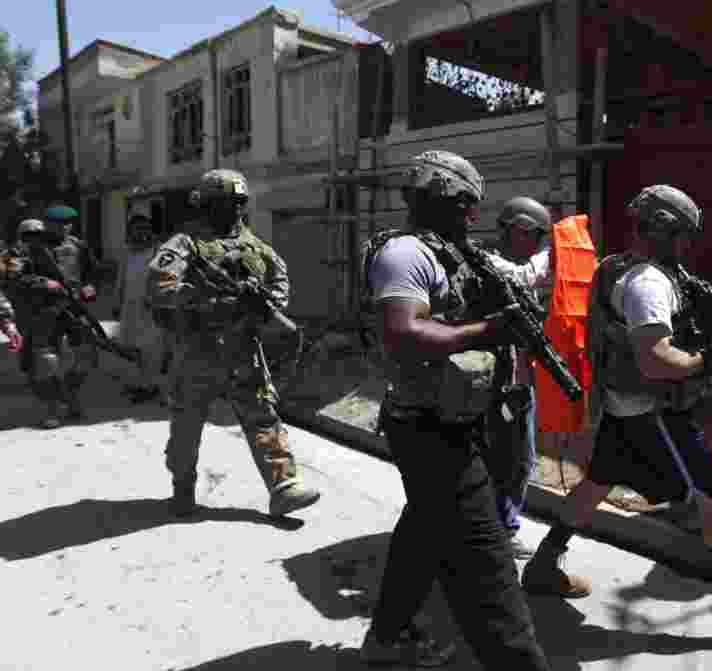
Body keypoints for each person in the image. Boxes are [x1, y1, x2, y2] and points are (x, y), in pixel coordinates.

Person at [520, 184, 712, 641]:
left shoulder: (620, 267)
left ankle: (543, 565)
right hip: (654, 413)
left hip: (625, 410)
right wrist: (709, 361)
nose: (687, 247)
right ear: (662, 230)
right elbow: (654, 360)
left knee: (595, 484)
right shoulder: (649, 284)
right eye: (683, 236)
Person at [359, 151, 551, 669]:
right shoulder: (405, 254)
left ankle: (386, 639)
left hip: (463, 417)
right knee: (486, 567)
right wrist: (488, 330)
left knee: (423, 534)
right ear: (449, 200)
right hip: (428, 427)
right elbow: (402, 333)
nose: (474, 216)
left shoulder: (457, 254)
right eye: (469, 205)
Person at [146, 169, 320, 518]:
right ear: (205, 205)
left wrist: (263, 302)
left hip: (243, 350)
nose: (232, 210)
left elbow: (280, 284)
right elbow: (159, 288)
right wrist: (207, 302)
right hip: (197, 350)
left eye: (237, 203)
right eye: (223, 203)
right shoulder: (185, 243)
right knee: (186, 427)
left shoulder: (256, 247)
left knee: (263, 418)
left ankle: (284, 486)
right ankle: (183, 487)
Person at [483, 196, 554, 559]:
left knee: (518, 459)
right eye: (534, 235)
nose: (537, 243)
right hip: (496, 383)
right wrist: (552, 252)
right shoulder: (489, 262)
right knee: (508, 459)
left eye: (541, 237)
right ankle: (501, 529)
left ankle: (498, 525)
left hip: (519, 381)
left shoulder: (522, 266)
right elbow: (523, 277)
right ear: (515, 230)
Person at [0, 213, 100, 428]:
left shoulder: (66, 247)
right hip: (40, 311)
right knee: (45, 361)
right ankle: (51, 407)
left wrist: (89, 286)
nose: (34, 238)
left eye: (38, 234)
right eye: (29, 235)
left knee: (87, 354)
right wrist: (43, 283)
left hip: (72, 307)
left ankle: (70, 392)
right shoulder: (12, 254)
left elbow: (91, 271)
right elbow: (10, 280)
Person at [115, 214, 164, 403]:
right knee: (134, 347)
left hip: (151, 306)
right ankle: (143, 383)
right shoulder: (127, 252)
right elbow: (121, 280)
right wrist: (116, 302)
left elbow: (166, 278)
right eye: (138, 228)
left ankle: (150, 386)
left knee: (152, 347)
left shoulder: (158, 251)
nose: (142, 232)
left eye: (146, 228)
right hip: (130, 305)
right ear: (131, 231)